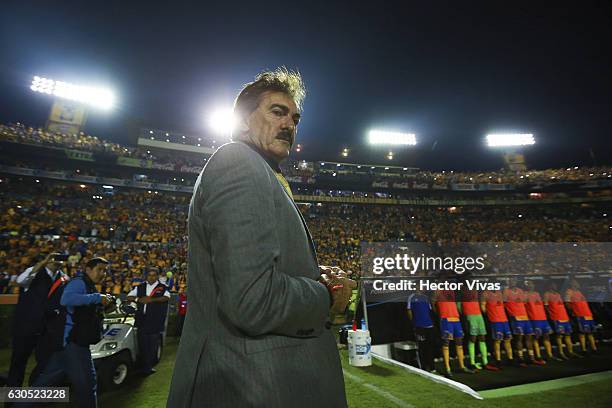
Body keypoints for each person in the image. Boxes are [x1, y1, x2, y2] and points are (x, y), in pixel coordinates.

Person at [167, 68, 355, 407]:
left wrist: (312, 274)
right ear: (241, 123)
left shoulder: (263, 172)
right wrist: (327, 295)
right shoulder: (239, 161)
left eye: (295, 118)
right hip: (252, 385)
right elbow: (252, 299)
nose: (289, 125)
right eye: (277, 112)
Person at [27, 257, 114, 408]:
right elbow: (66, 299)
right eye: (99, 269)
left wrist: (103, 304)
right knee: (87, 385)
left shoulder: (88, 285)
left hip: (68, 343)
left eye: (105, 270)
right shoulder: (79, 282)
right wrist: (97, 297)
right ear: (88, 269)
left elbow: (84, 312)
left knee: (43, 384)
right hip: (74, 344)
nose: (103, 273)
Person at [8, 253, 68, 387]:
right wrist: (42, 263)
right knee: (18, 362)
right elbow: (20, 281)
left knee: (46, 363)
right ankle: (11, 399)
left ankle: (33, 395)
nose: (56, 261)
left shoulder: (63, 277)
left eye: (60, 258)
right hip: (26, 326)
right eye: (53, 258)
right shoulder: (33, 271)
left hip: (48, 329)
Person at [127, 268, 170, 374]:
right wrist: (138, 299)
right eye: (149, 275)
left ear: (157, 276)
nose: (151, 277)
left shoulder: (163, 287)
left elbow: (166, 297)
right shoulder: (140, 287)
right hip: (141, 320)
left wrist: (152, 300)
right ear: (146, 276)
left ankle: (149, 366)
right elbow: (129, 296)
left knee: (152, 345)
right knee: (142, 344)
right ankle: (144, 366)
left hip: (155, 320)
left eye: (154, 275)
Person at [434, 288, 473, 377]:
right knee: (446, 343)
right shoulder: (437, 290)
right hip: (446, 319)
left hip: (456, 318)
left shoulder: (451, 290)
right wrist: (440, 315)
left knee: (459, 343)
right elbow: (433, 303)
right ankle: (447, 369)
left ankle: (462, 366)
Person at [503, 281, 544, 366]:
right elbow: (504, 303)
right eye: (510, 279)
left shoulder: (520, 290)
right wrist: (511, 314)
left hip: (525, 317)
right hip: (516, 317)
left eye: (513, 279)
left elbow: (524, 302)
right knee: (519, 338)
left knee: (529, 337)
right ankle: (520, 358)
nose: (512, 281)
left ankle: (531, 357)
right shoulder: (506, 291)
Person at [458, 289, 498, 371]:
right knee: (472, 339)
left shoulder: (475, 290)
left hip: (479, 315)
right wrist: (465, 314)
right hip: (470, 315)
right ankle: (472, 363)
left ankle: (485, 362)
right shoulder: (461, 292)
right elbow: (459, 307)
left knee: (482, 338)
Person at [524, 280, 559, 361]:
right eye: (529, 284)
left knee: (546, 336)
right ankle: (538, 356)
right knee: (536, 337)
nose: (531, 285)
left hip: (543, 318)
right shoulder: (525, 295)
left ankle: (550, 355)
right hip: (534, 319)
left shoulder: (537, 294)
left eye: (532, 284)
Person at [544, 282, 577, 359]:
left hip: (564, 317)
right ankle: (560, 352)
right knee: (559, 336)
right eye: (553, 284)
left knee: (568, 335)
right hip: (556, 317)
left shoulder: (558, 294)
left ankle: (570, 352)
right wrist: (551, 315)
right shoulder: (547, 294)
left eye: (555, 284)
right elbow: (546, 306)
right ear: (550, 286)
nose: (555, 286)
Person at [481, 289, 514, 368]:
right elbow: (483, 306)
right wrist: (489, 315)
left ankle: (510, 359)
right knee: (497, 341)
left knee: (508, 339)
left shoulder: (499, 292)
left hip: (504, 320)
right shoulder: (485, 293)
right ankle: (498, 360)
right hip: (495, 320)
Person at [565, 279, 598, 354]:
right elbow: (567, 303)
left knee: (590, 332)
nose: (577, 284)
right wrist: (573, 312)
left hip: (587, 314)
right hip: (580, 314)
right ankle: (583, 349)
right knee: (582, 332)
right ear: (572, 284)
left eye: (577, 282)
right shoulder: (569, 292)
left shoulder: (579, 292)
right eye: (575, 282)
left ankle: (594, 348)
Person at [406, 291, 436, 373]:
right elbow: (409, 311)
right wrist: (414, 323)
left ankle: (432, 367)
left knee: (430, 346)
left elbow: (430, 310)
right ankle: (423, 368)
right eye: (418, 285)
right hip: (419, 327)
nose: (420, 288)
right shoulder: (411, 297)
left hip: (429, 325)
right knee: (422, 347)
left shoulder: (425, 297)